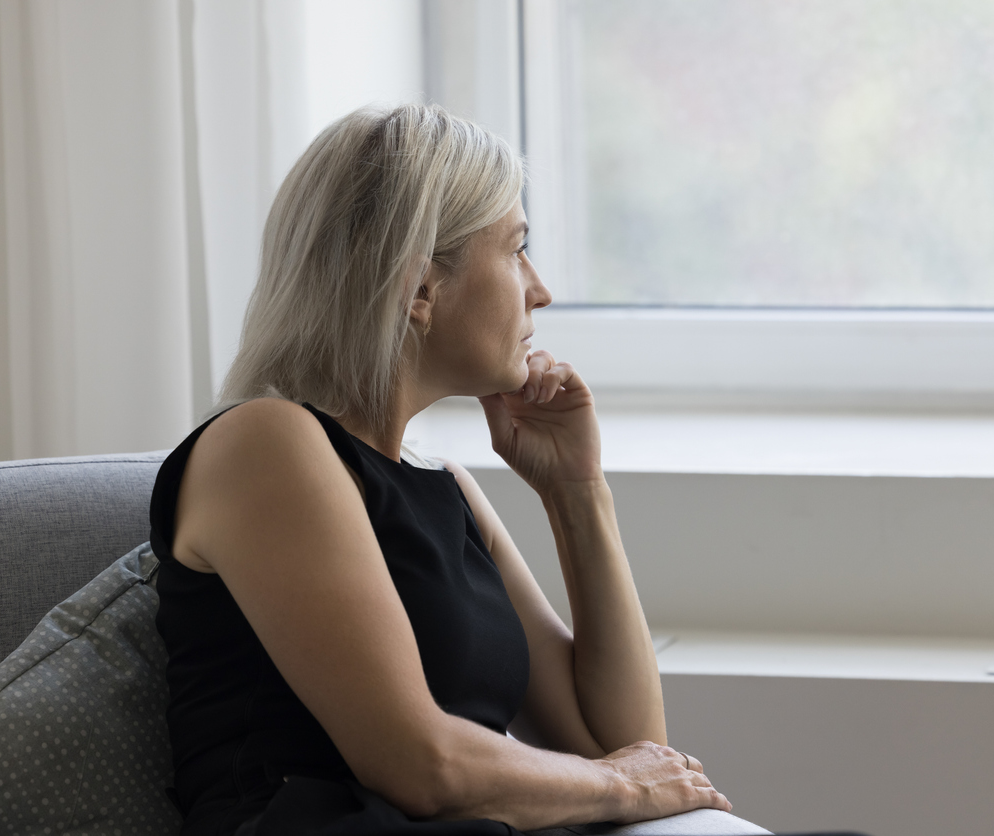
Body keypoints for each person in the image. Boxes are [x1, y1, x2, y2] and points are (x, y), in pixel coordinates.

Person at [148, 103, 734, 836]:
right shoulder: (267, 442)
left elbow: (627, 743)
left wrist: (577, 492)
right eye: (516, 249)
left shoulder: (448, 490)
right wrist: (623, 785)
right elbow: (422, 767)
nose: (539, 289)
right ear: (420, 289)